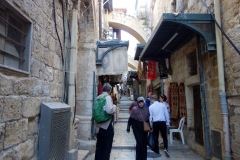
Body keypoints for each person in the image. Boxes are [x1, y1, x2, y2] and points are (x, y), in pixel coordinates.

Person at [95, 83, 116, 160]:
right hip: (106, 126)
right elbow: (109, 110)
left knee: (99, 147)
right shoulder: (107, 97)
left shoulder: (98, 97)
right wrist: (114, 107)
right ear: (109, 90)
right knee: (106, 148)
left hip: (98, 126)